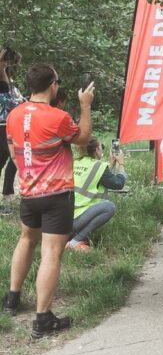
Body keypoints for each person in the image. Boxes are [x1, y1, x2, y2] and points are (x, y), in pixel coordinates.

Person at [2, 64, 94, 339]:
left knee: (26, 240)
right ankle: (43, 319)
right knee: (51, 253)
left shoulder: (14, 114)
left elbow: (14, 152)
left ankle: (11, 300)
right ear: (53, 84)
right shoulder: (58, 117)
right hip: (56, 194)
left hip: (28, 193)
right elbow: (83, 139)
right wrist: (85, 105)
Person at [68, 137, 125, 251]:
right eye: (101, 146)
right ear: (96, 150)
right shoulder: (99, 167)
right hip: (76, 219)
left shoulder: (75, 162)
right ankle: (75, 242)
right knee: (109, 207)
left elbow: (96, 176)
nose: (102, 149)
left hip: (62, 219)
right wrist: (121, 164)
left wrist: (110, 164)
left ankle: (69, 237)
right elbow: (118, 183)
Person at [0, 46, 24, 215]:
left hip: (9, 126)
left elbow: (18, 99)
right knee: (14, 159)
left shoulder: (11, 83)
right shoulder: (3, 84)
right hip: (2, 126)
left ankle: (7, 196)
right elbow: (11, 101)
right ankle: (7, 196)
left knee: (8, 160)